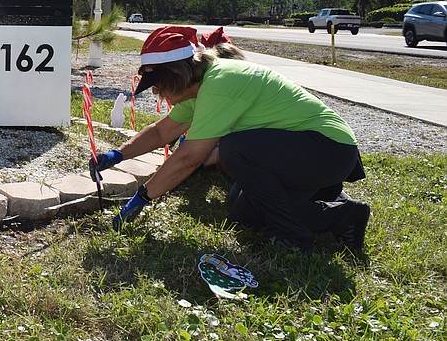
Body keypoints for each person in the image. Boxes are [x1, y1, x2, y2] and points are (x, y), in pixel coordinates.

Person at [91, 25, 369, 253]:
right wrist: (118, 155)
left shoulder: (220, 83)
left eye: (157, 85)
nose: (155, 94)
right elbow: (162, 132)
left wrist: (142, 197)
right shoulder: (198, 87)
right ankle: (341, 214)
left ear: (176, 75)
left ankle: (294, 238)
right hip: (310, 156)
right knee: (244, 213)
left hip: (328, 149)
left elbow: (190, 158)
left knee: (235, 149)